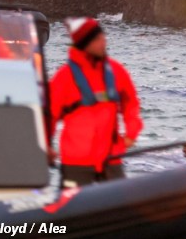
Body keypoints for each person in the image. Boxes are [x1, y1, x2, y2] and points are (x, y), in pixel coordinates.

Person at [49, 17, 143, 187]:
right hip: (76, 159)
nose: (104, 41)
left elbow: (131, 104)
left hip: (111, 156)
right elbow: (49, 114)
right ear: (86, 44)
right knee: (74, 208)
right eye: (98, 39)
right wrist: (46, 145)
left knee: (120, 207)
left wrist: (131, 132)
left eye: (103, 37)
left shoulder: (117, 71)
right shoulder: (64, 77)